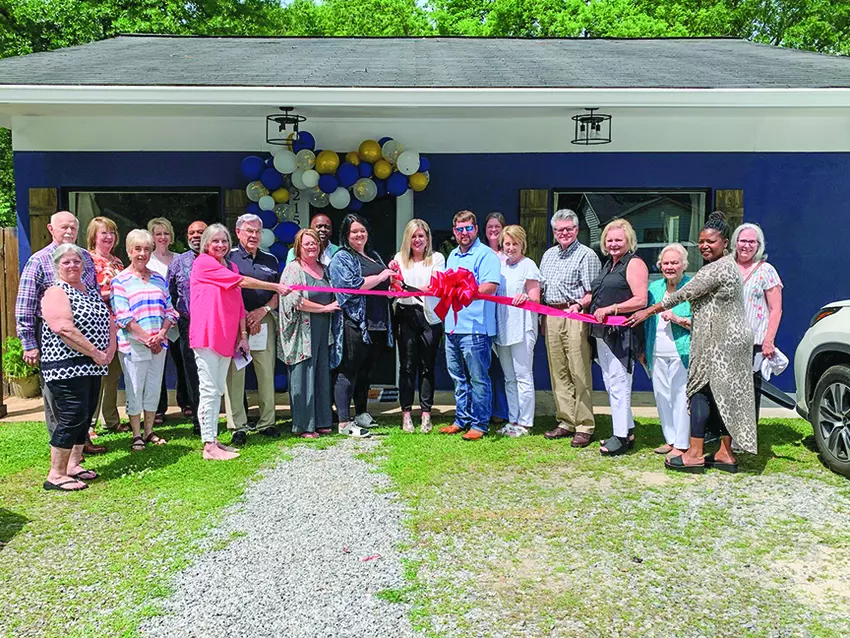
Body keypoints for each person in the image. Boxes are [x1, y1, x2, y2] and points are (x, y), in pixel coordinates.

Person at [627, 211, 757, 473]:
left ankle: (695, 454)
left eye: (711, 241)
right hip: (730, 340)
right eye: (701, 241)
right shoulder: (727, 265)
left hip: (719, 343)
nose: (705, 246)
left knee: (699, 393)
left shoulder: (718, 268)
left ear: (725, 243)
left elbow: (684, 293)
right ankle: (725, 453)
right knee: (724, 397)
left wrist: (648, 311)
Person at [189, 224, 290, 460]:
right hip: (207, 335)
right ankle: (209, 445)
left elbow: (238, 304)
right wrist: (274, 286)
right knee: (210, 390)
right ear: (206, 244)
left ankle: (214, 440)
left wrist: (243, 336)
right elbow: (240, 282)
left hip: (227, 336)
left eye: (224, 241)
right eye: (215, 241)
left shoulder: (230, 265)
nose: (220, 245)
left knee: (216, 390)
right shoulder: (203, 263)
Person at [15, 211, 106, 456]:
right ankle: (61, 446)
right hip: (55, 339)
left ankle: (80, 443)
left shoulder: (84, 257)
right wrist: (29, 344)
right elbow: (25, 304)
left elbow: (94, 294)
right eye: (63, 227)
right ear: (50, 229)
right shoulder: (38, 260)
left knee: (86, 396)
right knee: (60, 399)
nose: (68, 231)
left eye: (73, 227)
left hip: (86, 339)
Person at [40, 244, 115, 491]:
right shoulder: (55, 292)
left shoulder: (89, 289)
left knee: (85, 414)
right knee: (72, 414)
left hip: (92, 366)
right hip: (66, 365)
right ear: (57, 266)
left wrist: (109, 350)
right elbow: (63, 328)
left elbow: (108, 320)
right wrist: (95, 352)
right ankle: (56, 474)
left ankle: (73, 465)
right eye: (66, 262)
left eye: (77, 261)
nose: (73, 265)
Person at [576, 219, 648, 456]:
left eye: (619, 240)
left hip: (621, 334)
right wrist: (581, 304)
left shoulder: (634, 263)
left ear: (629, 241)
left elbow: (640, 300)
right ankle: (627, 430)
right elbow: (599, 293)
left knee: (619, 384)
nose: (613, 244)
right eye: (610, 240)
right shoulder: (609, 264)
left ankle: (620, 438)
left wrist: (612, 309)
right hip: (602, 334)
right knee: (611, 382)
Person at [111, 229, 178, 451]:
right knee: (135, 388)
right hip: (133, 345)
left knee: (153, 387)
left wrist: (161, 335)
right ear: (129, 251)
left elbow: (170, 310)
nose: (142, 253)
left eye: (147, 249)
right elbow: (123, 316)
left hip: (159, 344)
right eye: (137, 249)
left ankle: (149, 431)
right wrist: (148, 339)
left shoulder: (158, 278)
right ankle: (136, 433)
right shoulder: (120, 281)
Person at [539, 209, 601, 448]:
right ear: (554, 231)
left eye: (568, 229)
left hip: (575, 315)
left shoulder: (586, 255)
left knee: (579, 370)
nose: (563, 233)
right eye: (559, 230)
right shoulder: (548, 255)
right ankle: (565, 420)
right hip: (551, 315)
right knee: (558, 370)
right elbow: (543, 290)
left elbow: (592, 292)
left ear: (576, 230)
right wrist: (543, 317)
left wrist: (578, 305)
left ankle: (584, 425)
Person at [328, 214, 394, 438]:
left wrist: (390, 282)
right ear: (346, 235)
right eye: (354, 231)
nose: (359, 235)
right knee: (348, 370)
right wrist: (382, 276)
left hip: (377, 322)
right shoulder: (342, 257)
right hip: (354, 323)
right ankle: (344, 421)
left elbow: (384, 284)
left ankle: (362, 414)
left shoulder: (373, 255)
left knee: (366, 372)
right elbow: (349, 288)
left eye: (362, 230)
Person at [438, 211, 501, 441]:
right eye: (459, 229)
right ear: (454, 232)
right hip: (452, 327)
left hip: (476, 329)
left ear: (475, 229)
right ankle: (461, 420)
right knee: (457, 378)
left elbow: (490, 286)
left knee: (478, 379)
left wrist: (465, 291)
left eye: (468, 228)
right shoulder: (453, 255)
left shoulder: (486, 255)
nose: (464, 233)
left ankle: (479, 424)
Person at [225, 214, 281, 445]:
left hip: (264, 320)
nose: (254, 235)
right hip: (236, 322)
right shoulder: (228, 258)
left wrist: (262, 311)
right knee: (235, 375)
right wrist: (246, 317)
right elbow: (229, 290)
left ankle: (267, 422)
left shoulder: (270, 259)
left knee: (266, 372)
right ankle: (237, 426)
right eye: (249, 230)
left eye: (258, 231)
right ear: (238, 232)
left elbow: (278, 292)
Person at [279, 229, 341, 438]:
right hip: (302, 332)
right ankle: (304, 426)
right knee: (303, 375)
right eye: (307, 243)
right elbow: (294, 300)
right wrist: (324, 308)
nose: (311, 246)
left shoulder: (325, 269)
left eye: (314, 242)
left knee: (321, 374)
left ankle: (322, 421)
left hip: (323, 330)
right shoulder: (293, 269)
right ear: (299, 247)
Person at [390, 219, 445, 433]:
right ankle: (406, 413)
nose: (417, 240)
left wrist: (414, 288)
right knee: (407, 366)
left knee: (427, 366)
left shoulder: (437, 258)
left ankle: (425, 413)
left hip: (430, 317)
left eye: (421, 235)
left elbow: (436, 285)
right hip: (405, 314)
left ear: (427, 238)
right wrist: (396, 283)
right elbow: (395, 286)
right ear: (407, 238)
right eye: (413, 236)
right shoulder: (399, 258)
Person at [644, 244, 692, 456]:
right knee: (662, 396)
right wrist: (643, 350)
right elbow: (646, 320)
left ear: (684, 265)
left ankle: (682, 443)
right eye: (666, 263)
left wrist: (677, 318)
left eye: (674, 262)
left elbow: (701, 321)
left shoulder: (691, 286)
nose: (670, 267)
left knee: (681, 397)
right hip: (656, 351)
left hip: (682, 351)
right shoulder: (654, 288)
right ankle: (670, 439)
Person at [732, 223, 783, 421]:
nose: (747, 245)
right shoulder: (726, 267)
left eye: (752, 242)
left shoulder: (766, 271)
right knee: (727, 393)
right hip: (726, 342)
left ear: (759, 245)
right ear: (735, 242)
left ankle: (747, 435)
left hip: (753, 343)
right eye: (743, 241)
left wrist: (769, 341)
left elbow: (776, 309)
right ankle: (725, 434)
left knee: (749, 394)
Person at [494, 225, 540, 437]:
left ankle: (525, 422)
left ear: (522, 244)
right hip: (503, 327)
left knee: (523, 376)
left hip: (522, 327)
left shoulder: (528, 265)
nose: (511, 248)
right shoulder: (500, 266)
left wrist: (526, 297)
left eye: (515, 244)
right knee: (509, 377)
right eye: (507, 244)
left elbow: (536, 298)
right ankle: (512, 419)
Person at [147, 217, 191, 424]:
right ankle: (158, 407)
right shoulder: (146, 261)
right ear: (152, 237)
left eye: (166, 233)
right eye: (158, 234)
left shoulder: (181, 259)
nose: (162, 237)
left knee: (183, 362)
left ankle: (187, 402)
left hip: (180, 319)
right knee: (158, 366)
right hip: (156, 320)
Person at [166, 220, 207, 434]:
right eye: (192, 233)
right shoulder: (178, 262)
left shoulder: (220, 259)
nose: (196, 236)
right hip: (188, 324)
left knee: (217, 370)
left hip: (214, 323)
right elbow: (170, 292)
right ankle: (199, 420)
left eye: (201, 232)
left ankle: (232, 417)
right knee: (192, 372)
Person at [86, 216, 127, 434]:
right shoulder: (87, 261)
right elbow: (85, 293)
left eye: (112, 233)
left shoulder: (118, 262)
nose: (109, 237)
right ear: (94, 236)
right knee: (97, 376)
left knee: (113, 375)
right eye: (104, 233)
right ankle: (90, 423)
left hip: (119, 326)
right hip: (98, 326)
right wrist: (113, 294)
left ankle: (111, 419)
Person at [482, 211, 510, 425]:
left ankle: (501, 410)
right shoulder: (481, 254)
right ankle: (485, 408)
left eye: (497, 227)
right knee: (486, 366)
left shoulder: (509, 256)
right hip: (484, 316)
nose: (493, 230)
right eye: (490, 226)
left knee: (503, 367)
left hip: (505, 316)